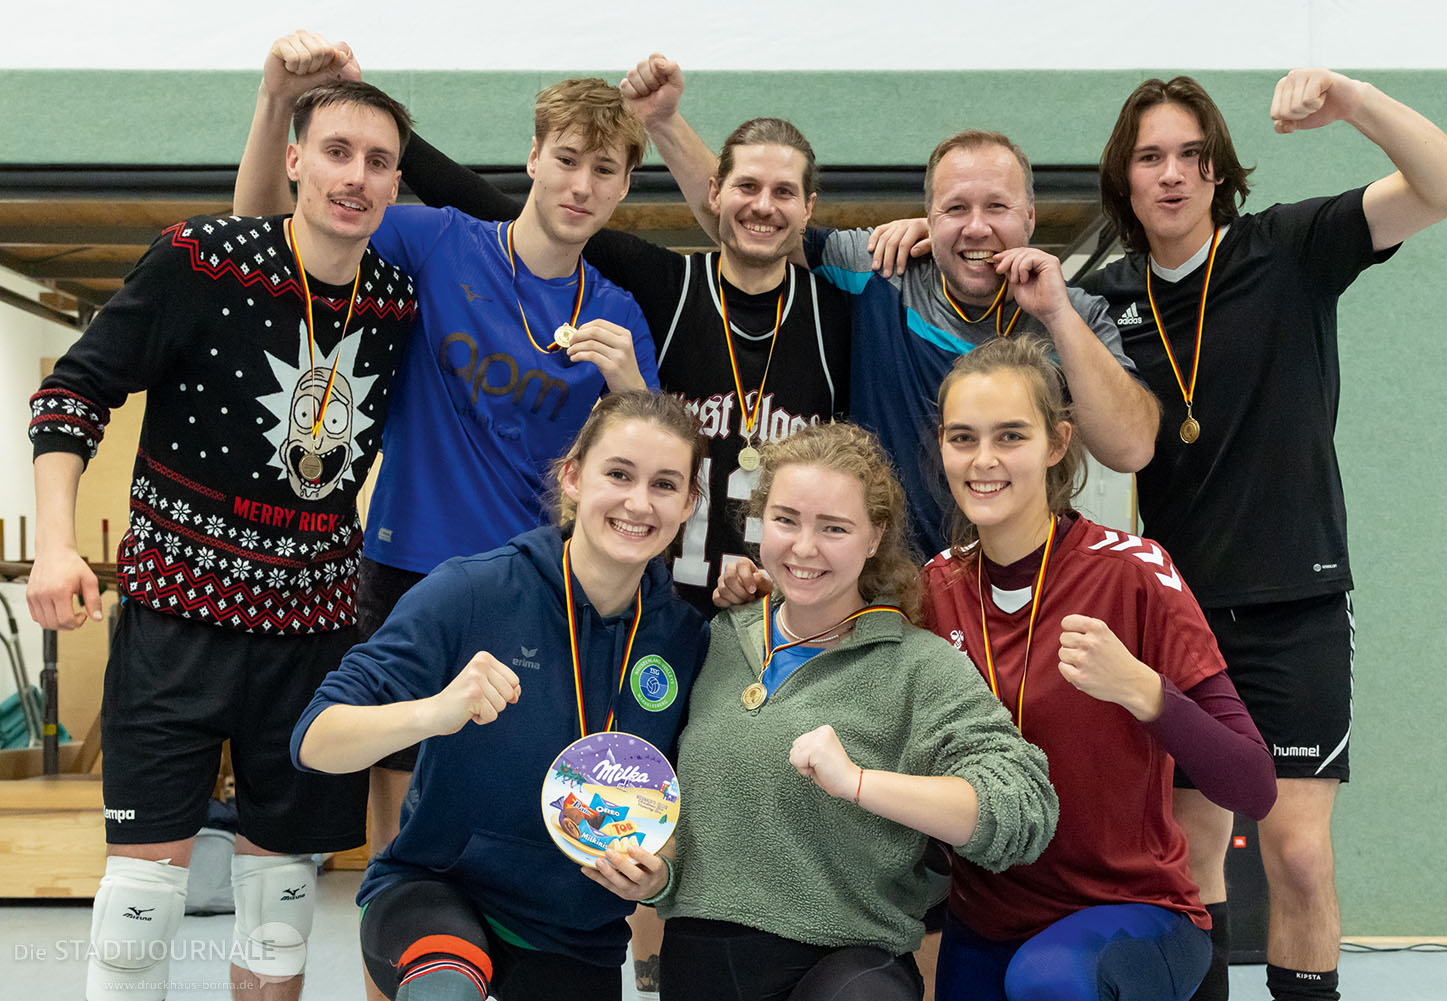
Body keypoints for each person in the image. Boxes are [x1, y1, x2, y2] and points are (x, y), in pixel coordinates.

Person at [231, 36, 661, 982]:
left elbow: (651, 467)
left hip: (538, 589)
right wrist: (274, 102)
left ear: (625, 186)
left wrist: (629, 384)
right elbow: (266, 227)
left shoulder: (619, 311)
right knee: (399, 824)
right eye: (566, 159)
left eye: (604, 170)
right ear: (533, 157)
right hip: (412, 566)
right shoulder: (437, 241)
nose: (581, 184)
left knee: (527, 801)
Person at [1077, 70, 1447, 1001]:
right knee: (1190, 850)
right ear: (1125, 179)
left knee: (1297, 851)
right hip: (1176, 613)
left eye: (1192, 155)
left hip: (1296, 603)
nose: (1173, 174)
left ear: (1218, 171)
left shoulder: (1290, 246)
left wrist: (1354, 101)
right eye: (1150, 157)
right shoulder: (1102, 299)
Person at [26, 80, 417, 1001]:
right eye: (336, 151)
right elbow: (71, 392)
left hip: (313, 638)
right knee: (138, 913)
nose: (356, 176)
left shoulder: (398, 302)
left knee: (281, 917)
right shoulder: (201, 259)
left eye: (378, 161)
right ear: (294, 159)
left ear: (397, 184)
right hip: (177, 624)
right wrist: (54, 544)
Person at [395, 52, 852, 623]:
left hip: (785, 611)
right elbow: (512, 211)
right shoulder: (665, 286)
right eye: (747, 186)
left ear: (809, 208)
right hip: (660, 606)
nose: (763, 205)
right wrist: (383, 123)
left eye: (784, 192)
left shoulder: (840, 313)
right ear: (715, 193)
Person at [290, 390, 710, 1001]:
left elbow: (686, 792)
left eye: (665, 484)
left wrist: (658, 873)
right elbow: (315, 739)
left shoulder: (685, 638)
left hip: (572, 930)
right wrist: (433, 713)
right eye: (618, 474)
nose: (638, 502)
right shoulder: (473, 592)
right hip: (438, 892)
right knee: (446, 990)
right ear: (573, 476)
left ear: (689, 502)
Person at [627, 100, 1159, 557]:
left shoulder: (1075, 313)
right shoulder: (882, 270)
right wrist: (665, 121)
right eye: (956, 209)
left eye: (997, 207)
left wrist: (1057, 315)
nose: (977, 227)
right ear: (928, 216)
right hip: (885, 588)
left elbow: (1131, 449)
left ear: (1031, 217)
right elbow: (756, 229)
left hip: (1016, 585)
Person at [918, 335, 1276, 1001]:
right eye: (963, 438)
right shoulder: (933, 589)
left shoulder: (1133, 571)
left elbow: (1254, 784)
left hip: (1130, 917)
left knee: (1048, 982)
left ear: (1057, 443)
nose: (984, 460)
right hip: (988, 923)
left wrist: (1144, 690)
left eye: (1011, 436)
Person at [659, 422, 1058, 1001]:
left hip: (844, 967)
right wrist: (657, 876)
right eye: (786, 519)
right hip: (696, 962)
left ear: (875, 537)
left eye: (834, 528)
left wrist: (860, 783)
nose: (804, 547)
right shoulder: (718, 637)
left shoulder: (918, 666)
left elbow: (1024, 808)